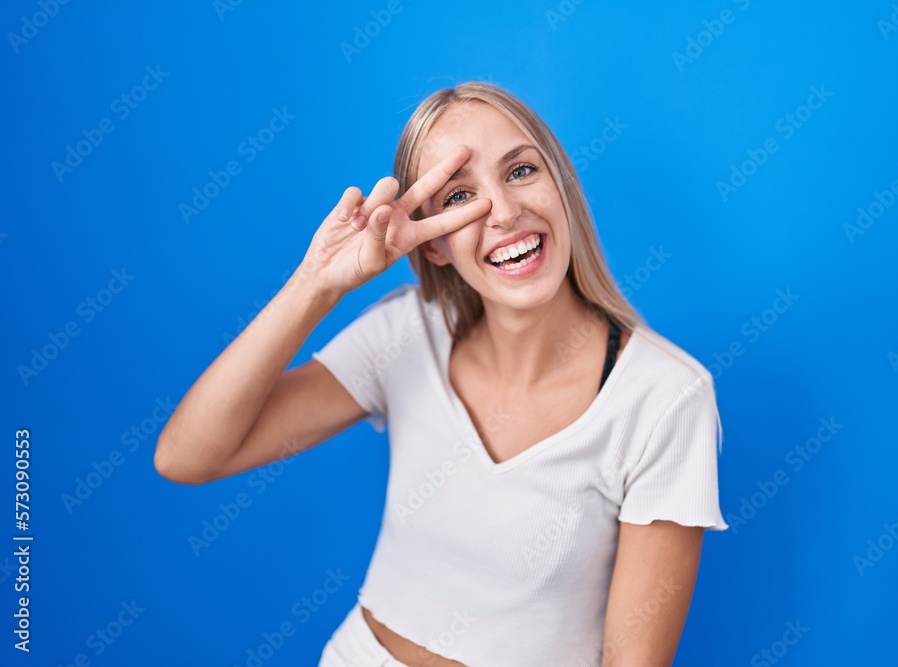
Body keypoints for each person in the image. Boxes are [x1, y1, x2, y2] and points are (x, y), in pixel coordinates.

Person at [154, 81, 728, 667]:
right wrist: (317, 284)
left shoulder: (666, 397)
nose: (505, 212)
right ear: (432, 245)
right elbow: (190, 456)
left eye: (522, 170)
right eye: (458, 197)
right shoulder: (406, 333)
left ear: (562, 184)